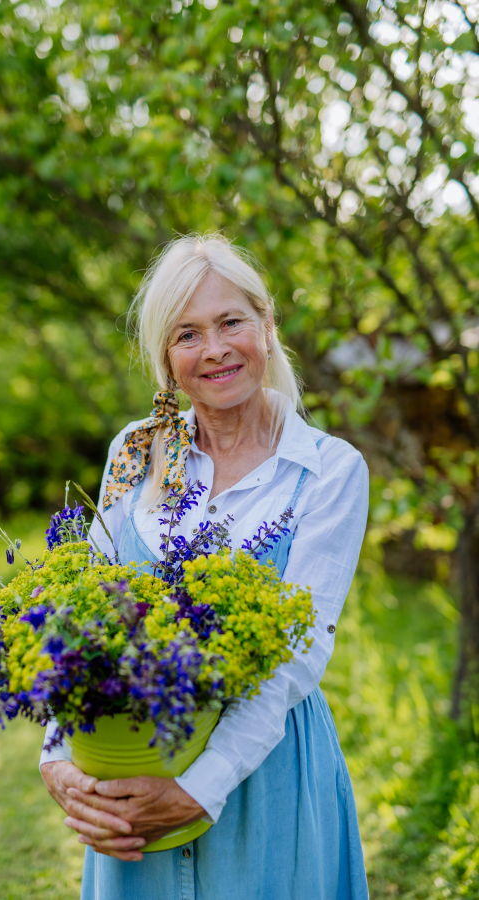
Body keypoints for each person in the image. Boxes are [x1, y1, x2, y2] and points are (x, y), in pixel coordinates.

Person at [40, 233, 370, 899]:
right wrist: (59, 757)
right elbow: (84, 612)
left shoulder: (328, 470)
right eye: (187, 333)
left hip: (268, 779)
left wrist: (197, 787)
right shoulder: (136, 451)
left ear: (267, 327)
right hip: (130, 763)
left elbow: (296, 658)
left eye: (230, 322)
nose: (214, 349)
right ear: (165, 355)